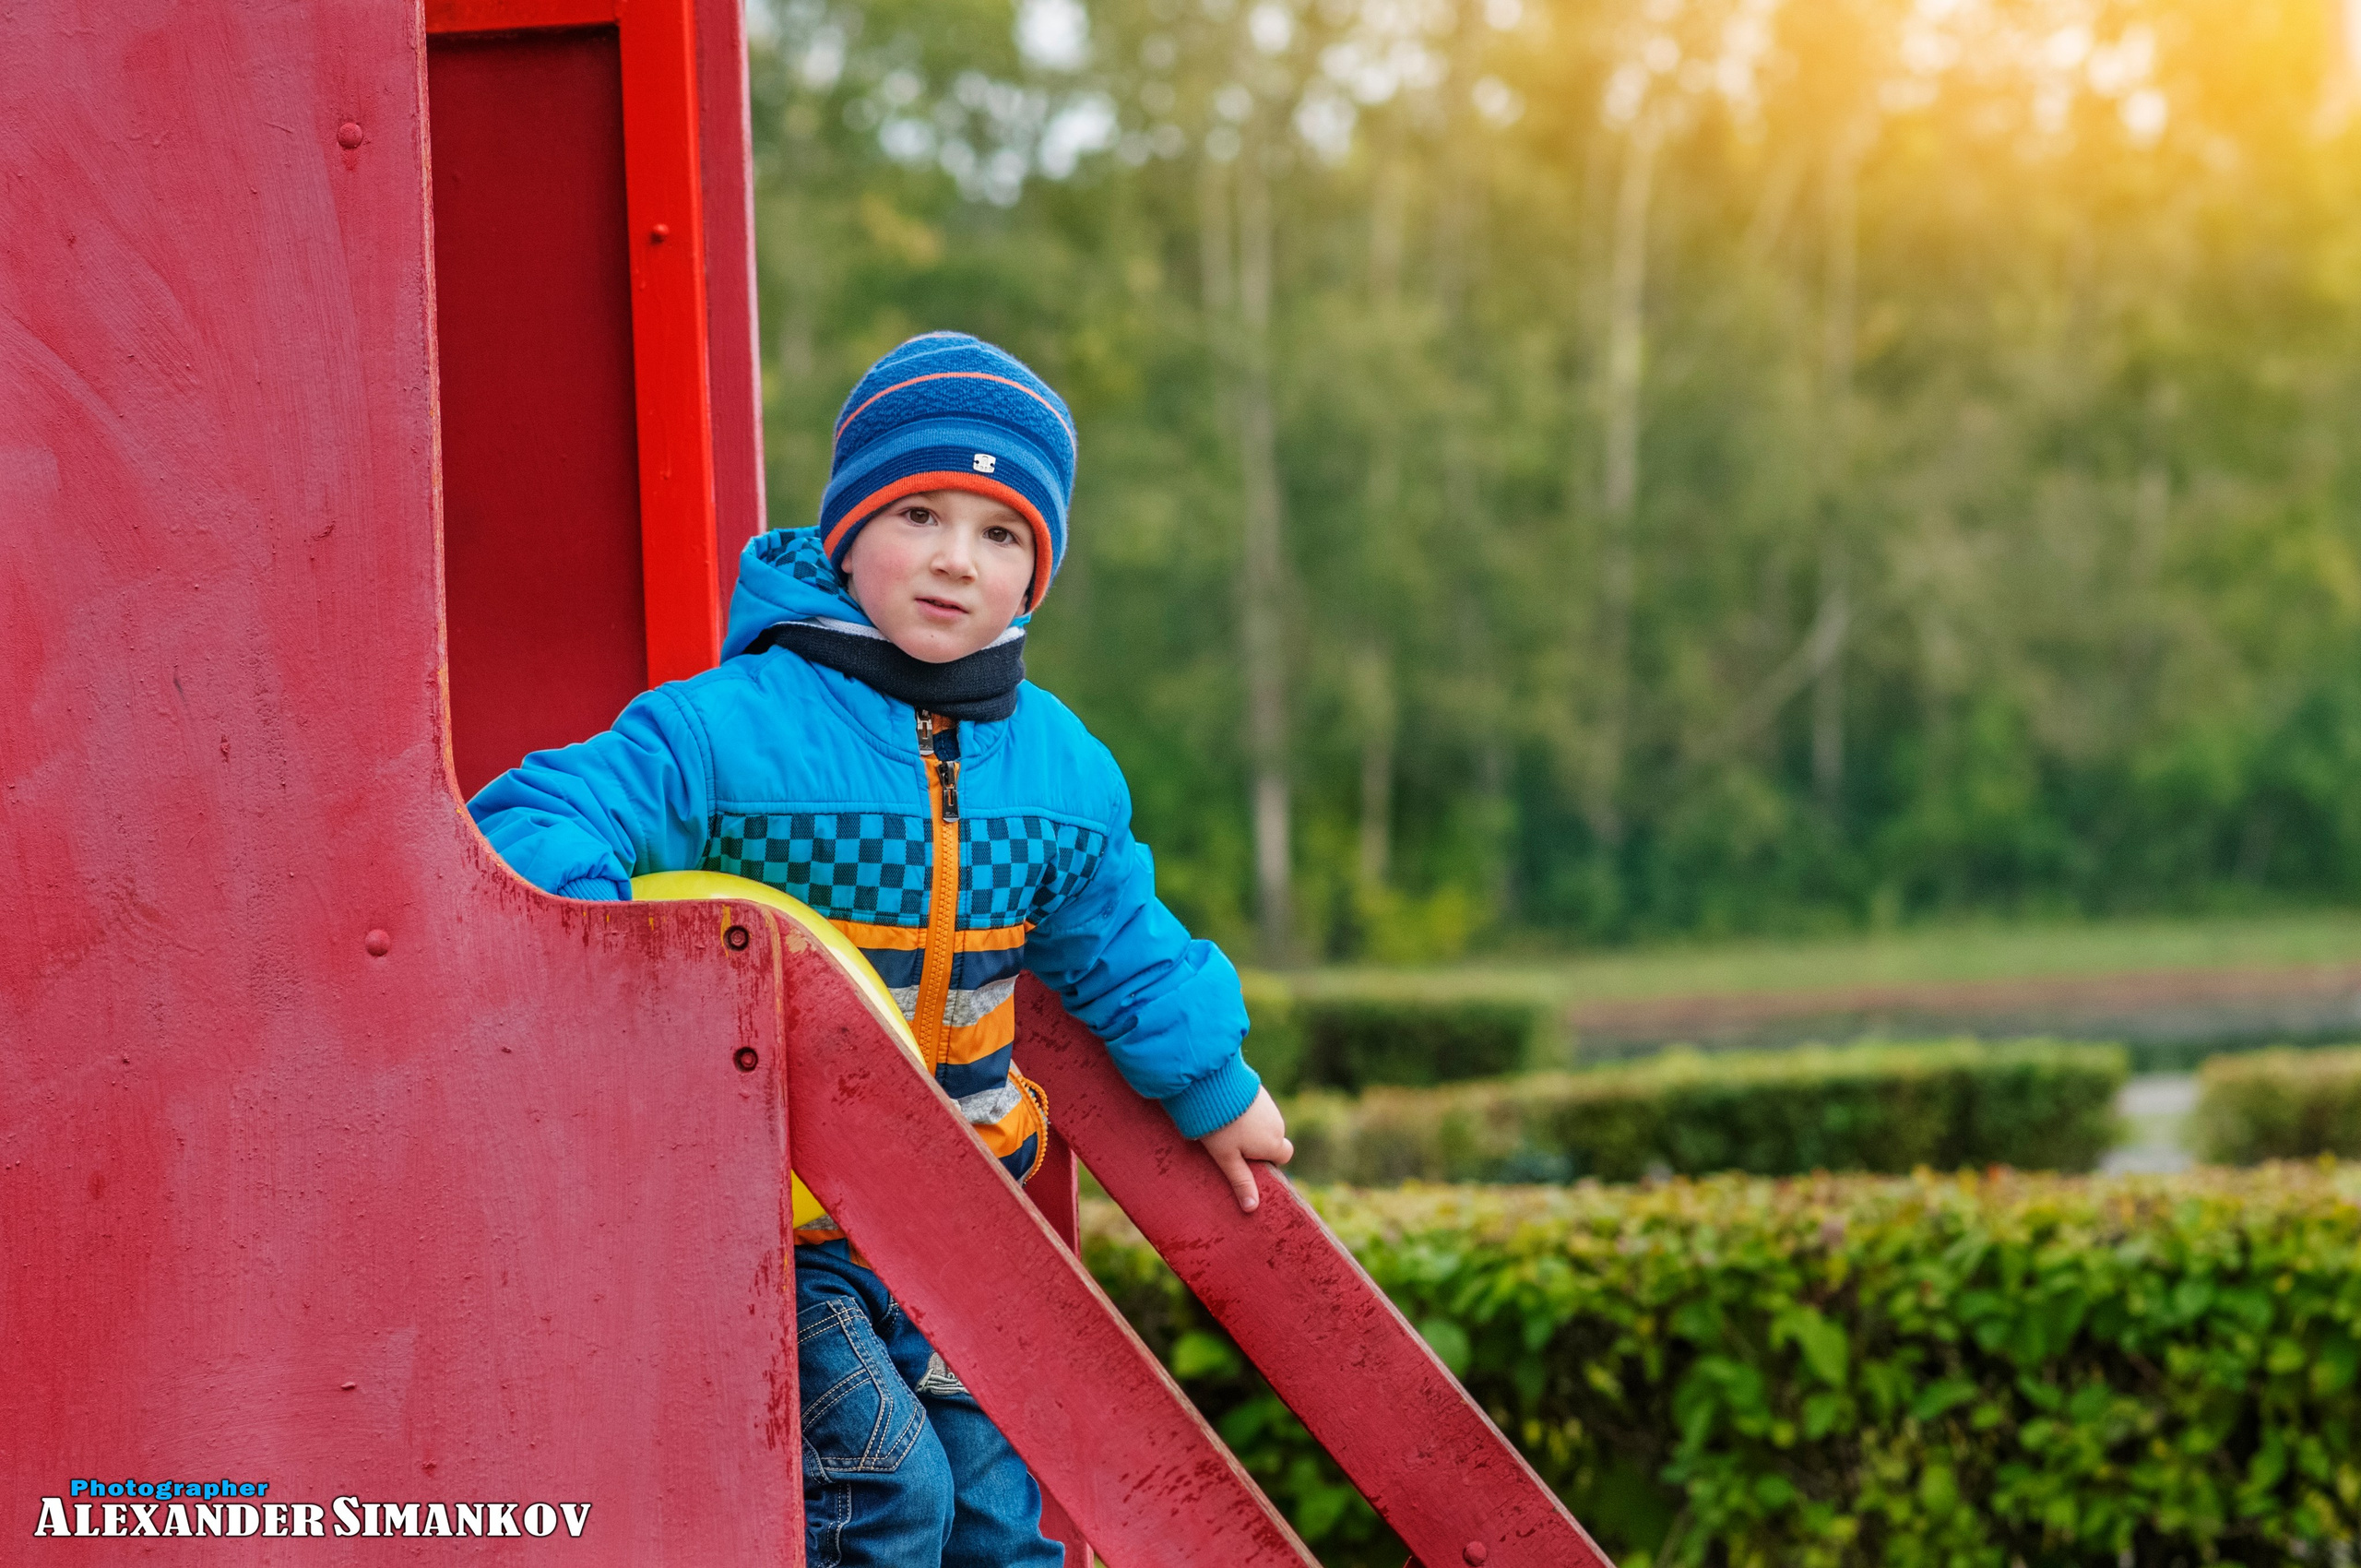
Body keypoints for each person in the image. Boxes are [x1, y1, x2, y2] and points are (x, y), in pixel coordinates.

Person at [467, 331, 1292, 1567]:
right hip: (782, 1232)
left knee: (1004, 1527)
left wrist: (1216, 1086)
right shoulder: (732, 729)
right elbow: (532, 818)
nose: (958, 559)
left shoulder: (1061, 770)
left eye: (1001, 532)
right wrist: (637, 971)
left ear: (1036, 578)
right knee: (887, 1497)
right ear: (847, 532)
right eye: (918, 513)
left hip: (970, 1219)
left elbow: (1122, 940)